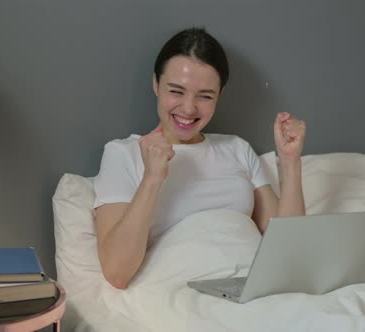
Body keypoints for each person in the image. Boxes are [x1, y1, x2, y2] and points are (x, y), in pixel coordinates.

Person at [93, 27, 306, 289]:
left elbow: (290, 252)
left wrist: (290, 162)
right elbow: (117, 272)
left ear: (219, 96)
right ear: (155, 84)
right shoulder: (122, 153)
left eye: (205, 96)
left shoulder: (237, 149)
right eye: (176, 91)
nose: (188, 108)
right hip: (181, 290)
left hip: (253, 287)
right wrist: (152, 178)